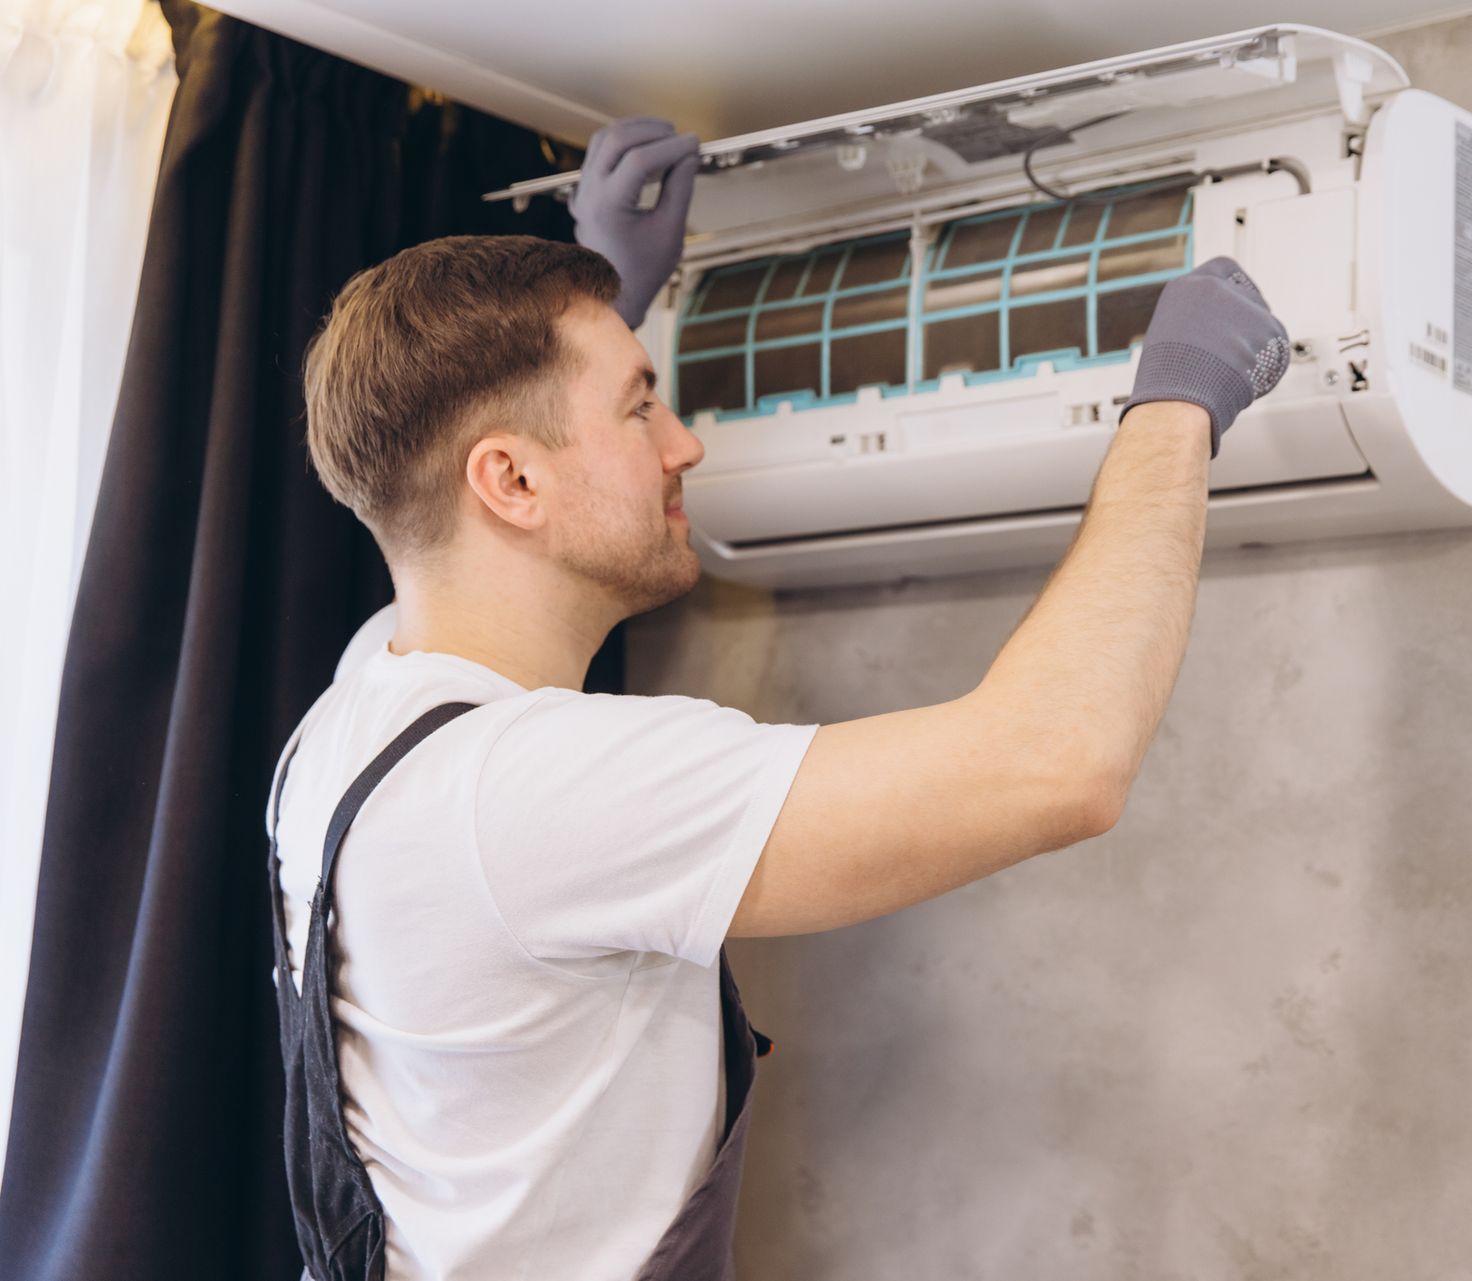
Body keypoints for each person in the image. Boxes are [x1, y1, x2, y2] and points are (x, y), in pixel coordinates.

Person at [267, 115, 1288, 1281]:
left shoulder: (356, 718)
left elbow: (480, 540)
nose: (685, 445)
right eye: (642, 406)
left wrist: (606, 323)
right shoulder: (531, 790)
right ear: (508, 478)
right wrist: (1178, 407)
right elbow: (1059, 761)